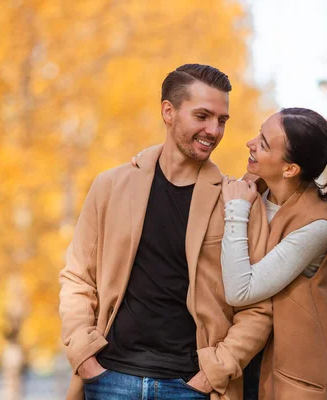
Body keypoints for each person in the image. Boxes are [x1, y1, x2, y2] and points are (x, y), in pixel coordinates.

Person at [59, 64, 273, 400]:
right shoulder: (110, 186)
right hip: (108, 379)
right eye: (202, 116)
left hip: (193, 387)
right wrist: (85, 356)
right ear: (168, 112)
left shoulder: (238, 202)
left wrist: (213, 372)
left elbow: (258, 307)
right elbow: (78, 279)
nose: (214, 130)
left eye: (221, 120)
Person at [220, 108, 327, 399]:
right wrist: (147, 163)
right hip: (239, 361)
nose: (250, 142)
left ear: (289, 169)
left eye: (264, 143)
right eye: (259, 133)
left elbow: (240, 290)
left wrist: (236, 211)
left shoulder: (317, 225)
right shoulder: (252, 188)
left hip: (288, 380)